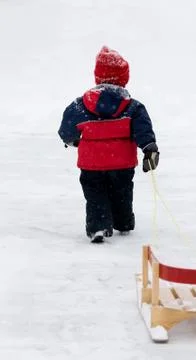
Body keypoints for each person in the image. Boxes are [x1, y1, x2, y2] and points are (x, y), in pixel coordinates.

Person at [58, 46, 159, 243]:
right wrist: (150, 149)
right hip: (122, 163)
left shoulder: (80, 106)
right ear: (124, 78)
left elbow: (66, 130)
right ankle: (123, 222)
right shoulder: (132, 107)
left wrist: (73, 140)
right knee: (122, 191)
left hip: (91, 164)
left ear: (97, 76)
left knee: (95, 194)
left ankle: (98, 226)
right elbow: (143, 131)